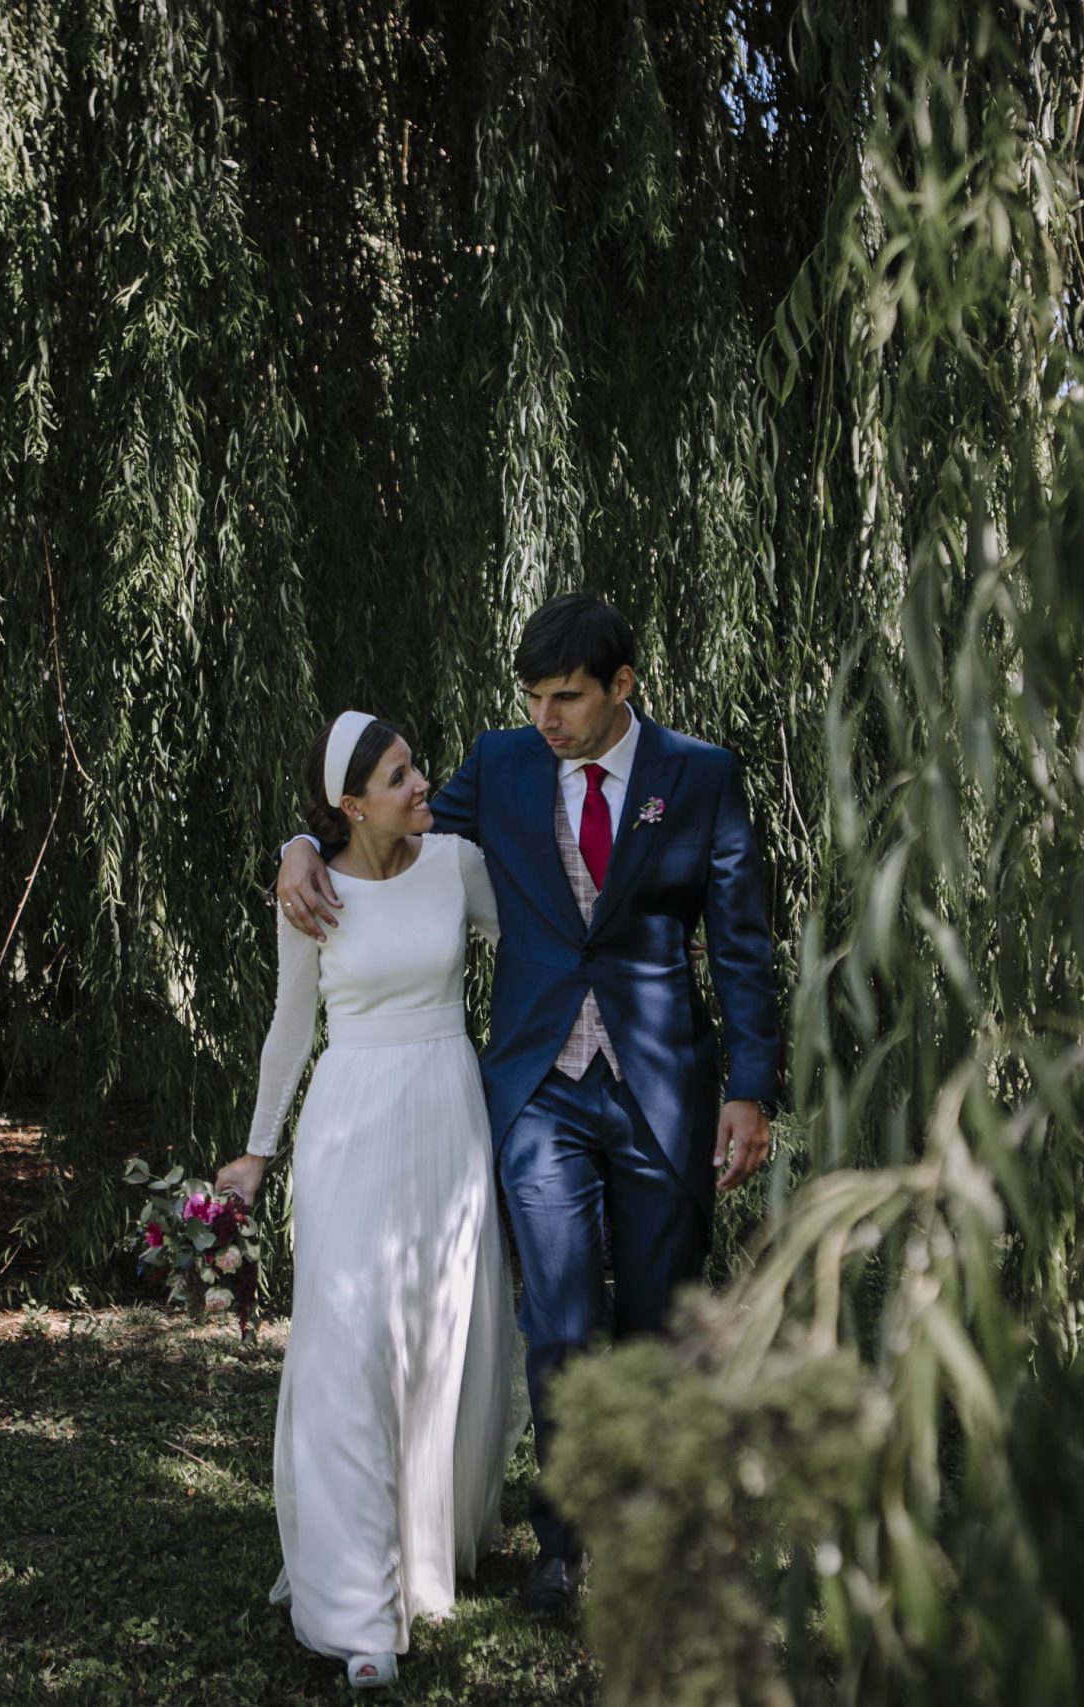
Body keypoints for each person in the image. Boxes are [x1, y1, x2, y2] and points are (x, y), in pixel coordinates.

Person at [276, 593, 780, 1618]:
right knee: (557, 1313)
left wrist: (750, 1088)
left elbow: (739, 945)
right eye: (535, 699)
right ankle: (560, 1545)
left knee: (654, 1316)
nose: (547, 719)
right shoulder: (502, 765)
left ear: (621, 688)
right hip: (539, 1089)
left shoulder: (700, 776)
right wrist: (294, 843)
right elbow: (380, 827)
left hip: (661, 1089)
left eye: (568, 699)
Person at [214, 711, 519, 1693]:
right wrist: (256, 1153)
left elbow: (541, 945)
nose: (420, 782)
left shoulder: (457, 863)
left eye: (414, 765)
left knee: (434, 1337)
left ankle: (420, 1555)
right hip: (350, 1125)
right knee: (348, 1345)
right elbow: (288, 1029)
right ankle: (356, 1611)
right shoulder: (308, 891)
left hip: (446, 1113)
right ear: (350, 804)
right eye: (398, 776)